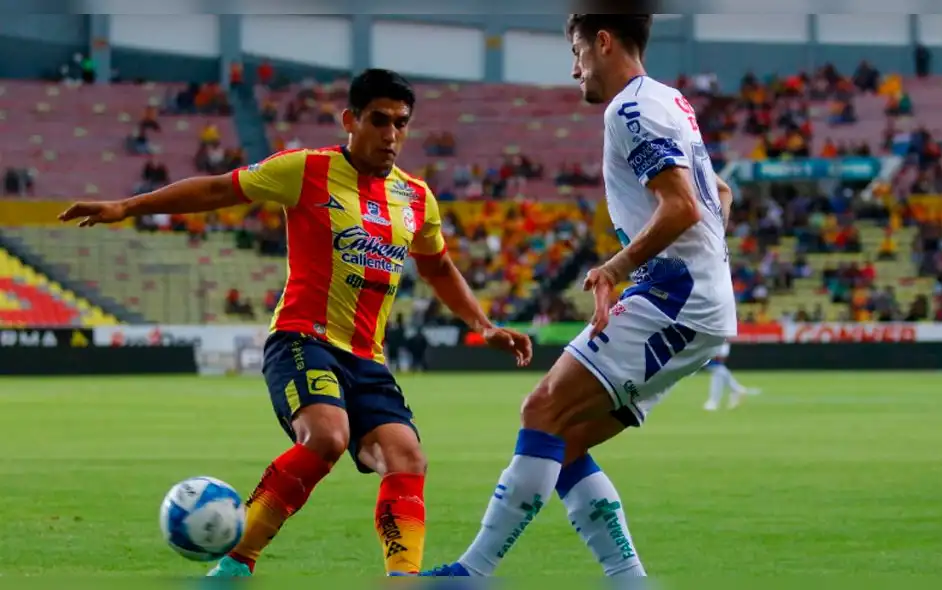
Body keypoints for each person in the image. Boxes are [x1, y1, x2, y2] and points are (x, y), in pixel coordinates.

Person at [58, 68, 532, 577]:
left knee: (407, 458)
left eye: (401, 122)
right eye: (379, 120)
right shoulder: (305, 170)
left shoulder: (416, 197)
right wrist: (127, 206)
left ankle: (403, 581)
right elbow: (219, 190)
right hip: (302, 339)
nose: (391, 134)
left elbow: (438, 266)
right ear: (350, 120)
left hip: (367, 357)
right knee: (326, 438)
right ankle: (233, 569)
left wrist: (483, 323)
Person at [415, 14, 736, 578]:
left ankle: (473, 572)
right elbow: (720, 195)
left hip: (673, 296)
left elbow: (683, 205)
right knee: (559, 441)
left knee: (541, 409)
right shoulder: (671, 100)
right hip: (695, 298)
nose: (574, 68)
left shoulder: (630, 109)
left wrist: (618, 265)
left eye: (577, 51)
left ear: (604, 42)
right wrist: (705, 257)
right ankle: (628, 578)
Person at [703, 341, 761, 411]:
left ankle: (714, 401)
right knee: (717, 368)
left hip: (717, 338)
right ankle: (736, 389)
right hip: (715, 339)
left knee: (717, 368)